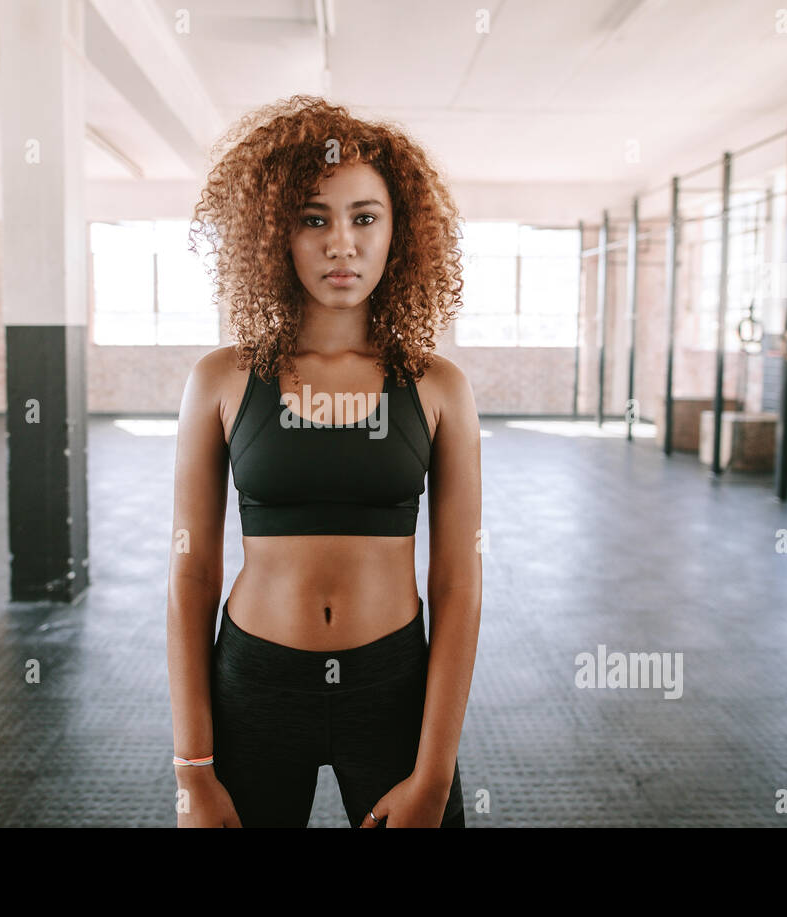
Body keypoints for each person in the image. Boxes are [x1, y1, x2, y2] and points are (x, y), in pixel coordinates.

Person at [167, 95, 482, 828]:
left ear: (399, 233)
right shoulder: (221, 379)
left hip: (393, 689)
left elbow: (459, 585)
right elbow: (191, 574)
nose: (342, 243)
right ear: (277, 234)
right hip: (255, 687)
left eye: (364, 217)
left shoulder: (440, 388)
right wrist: (192, 770)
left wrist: (433, 776)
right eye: (315, 218)